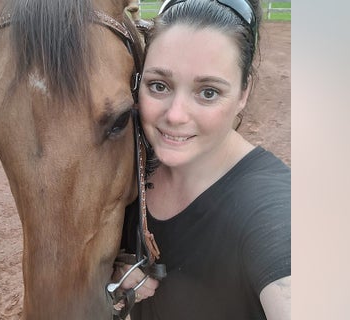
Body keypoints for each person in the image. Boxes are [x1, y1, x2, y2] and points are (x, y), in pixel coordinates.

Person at [111, 0, 291, 319]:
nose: (176, 116)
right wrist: (114, 268)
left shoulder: (271, 207)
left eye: (208, 92)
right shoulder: (129, 167)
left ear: (243, 92)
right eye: (159, 86)